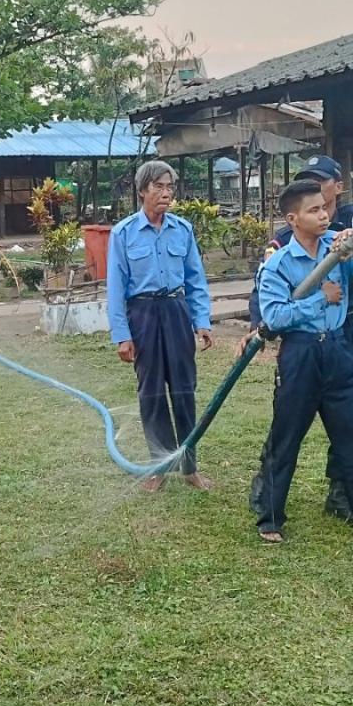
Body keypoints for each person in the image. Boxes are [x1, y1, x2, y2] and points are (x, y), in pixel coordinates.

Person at [254, 180, 353, 548]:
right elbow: (275, 317)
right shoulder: (278, 264)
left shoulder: (338, 247)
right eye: (313, 210)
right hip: (301, 355)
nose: (324, 215)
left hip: (339, 350)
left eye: (324, 208)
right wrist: (320, 299)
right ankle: (270, 518)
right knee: (286, 438)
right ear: (293, 219)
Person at [106, 159, 214, 492]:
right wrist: (122, 335)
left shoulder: (182, 229)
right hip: (143, 314)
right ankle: (159, 467)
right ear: (142, 191)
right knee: (151, 393)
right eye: (159, 187)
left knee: (184, 390)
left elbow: (196, 279)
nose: (166, 193)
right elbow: (115, 289)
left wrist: (202, 321)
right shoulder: (123, 233)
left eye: (170, 187)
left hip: (176, 311)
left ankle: (190, 467)